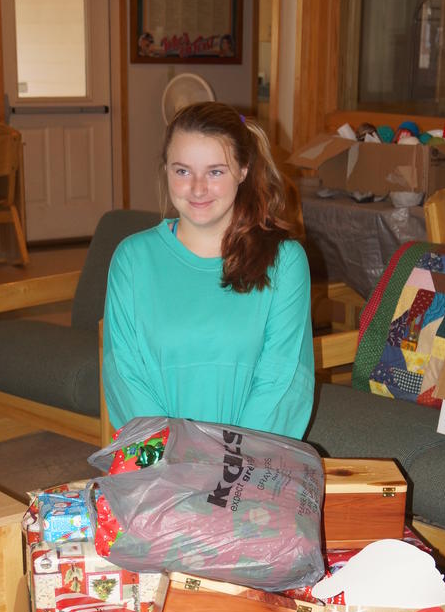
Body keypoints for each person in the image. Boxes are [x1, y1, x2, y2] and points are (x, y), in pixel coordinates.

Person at [103, 101, 314, 439]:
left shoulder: (284, 262)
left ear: (243, 170)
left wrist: (228, 465)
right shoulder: (132, 259)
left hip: (248, 467)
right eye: (182, 170)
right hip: (158, 467)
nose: (197, 188)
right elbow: (124, 375)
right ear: (166, 169)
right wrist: (170, 460)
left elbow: (282, 381)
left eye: (215, 171)